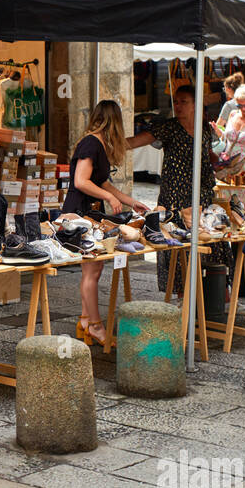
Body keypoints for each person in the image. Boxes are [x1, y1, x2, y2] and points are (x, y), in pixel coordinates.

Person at [62, 100, 149, 345]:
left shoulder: (97, 144)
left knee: (94, 270)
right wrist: (109, 197)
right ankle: (95, 326)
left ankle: (86, 321)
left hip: (87, 213)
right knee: (92, 271)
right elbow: (81, 181)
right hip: (79, 213)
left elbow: (103, 183)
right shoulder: (91, 143)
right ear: (115, 121)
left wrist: (132, 202)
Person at [129, 83, 219, 295]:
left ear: (195, 104)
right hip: (175, 196)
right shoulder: (169, 127)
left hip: (202, 194)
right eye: (176, 102)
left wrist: (224, 165)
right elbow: (135, 142)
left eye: (183, 102)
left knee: (208, 247)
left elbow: (209, 156)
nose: (178, 106)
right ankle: (182, 297)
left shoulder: (205, 129)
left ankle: (210, 298)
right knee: (177, 249)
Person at [220, 83, 245, 174]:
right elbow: (228, 138)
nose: (243, 109)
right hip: (227, 168)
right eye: (239, 106)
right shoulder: (233, 114)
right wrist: (219, 132)